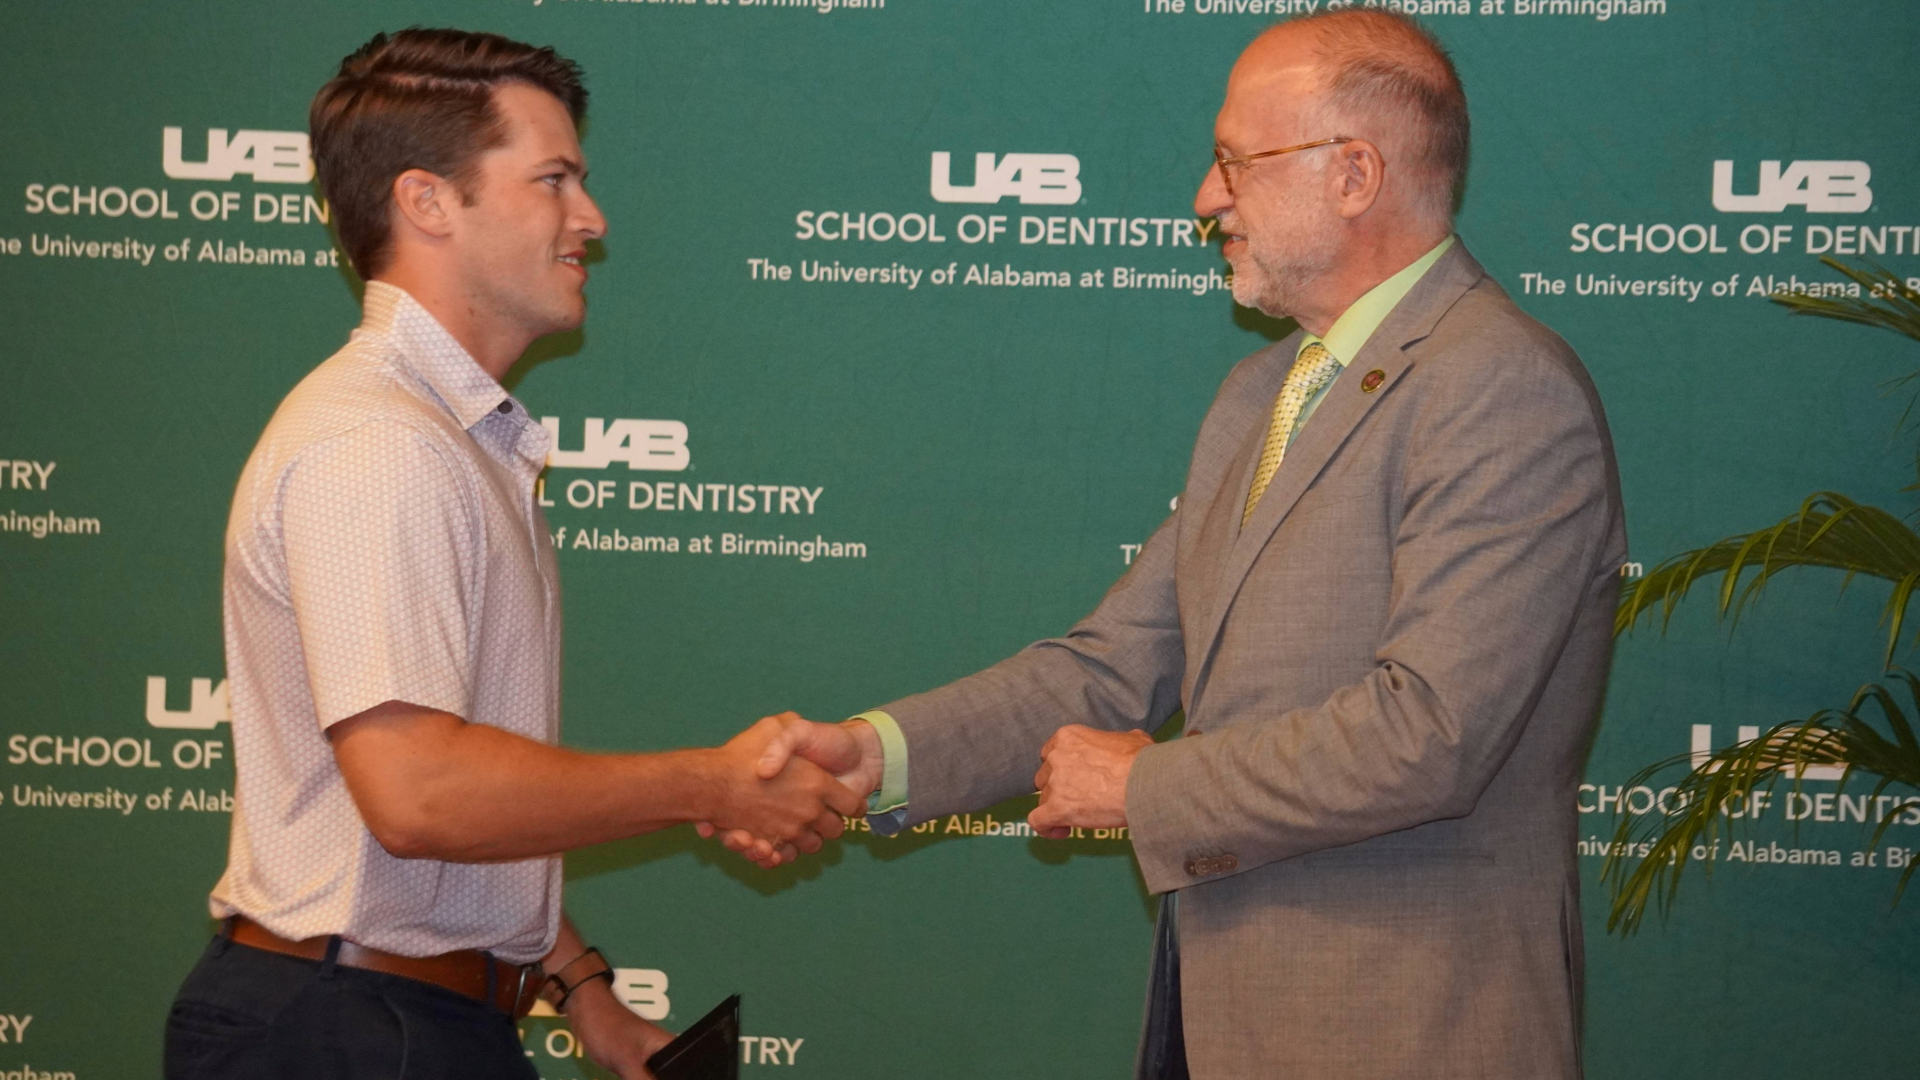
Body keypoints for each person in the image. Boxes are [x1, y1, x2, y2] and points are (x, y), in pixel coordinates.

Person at [726, 10, 1626, 1079]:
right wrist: (876, 755)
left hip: (1408, 1032)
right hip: (1225, 1024)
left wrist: (1144, 793)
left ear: (1354, 173)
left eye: (1235, 164)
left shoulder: (1499, 385)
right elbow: (1110, 666)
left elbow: (1431, 731)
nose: (1207, 200)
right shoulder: (1263, 392)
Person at [164, 29, 863, 1080]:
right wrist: (710, 784)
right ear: (428, 202)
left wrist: (578, 986)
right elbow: (421, 793)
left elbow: (447, 803)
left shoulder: (451, 438)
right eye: (553, 180)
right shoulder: (381, 444)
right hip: (348, 1032)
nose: (591, 217)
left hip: (401, 1019)